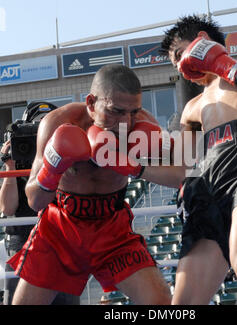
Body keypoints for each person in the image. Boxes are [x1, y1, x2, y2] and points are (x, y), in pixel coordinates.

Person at [151, 14, 237, 305]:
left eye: (180, 55)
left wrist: (218, 61)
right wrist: (134, 165)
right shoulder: (193, 107)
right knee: (184, 302)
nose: (180, 66)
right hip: (207, 182)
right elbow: (184, 167)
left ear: (201, 39)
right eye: (175, 64)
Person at [7, 64, 171, 305]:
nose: (125, 122)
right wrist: (53, 169)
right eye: (115, 111)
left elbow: (182, 173)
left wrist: (136, 167)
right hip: (59, 231)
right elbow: (34, 199)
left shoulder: (143, 126)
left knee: (159, 302)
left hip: (113, 231)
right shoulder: (57, 123)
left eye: (133, 112)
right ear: (92, 103)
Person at [0, 102, 79, 305]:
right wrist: (10, 165)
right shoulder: (17, 159)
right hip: (22, 245)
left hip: (60, 245)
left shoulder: (66, 156)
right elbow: (7, 209)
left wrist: (63, 159)